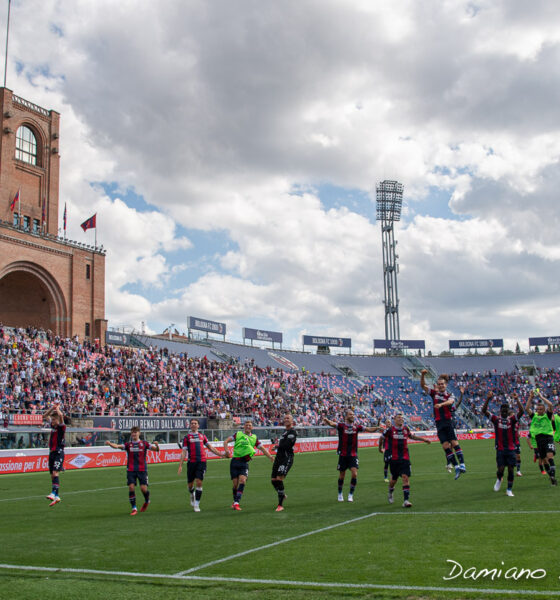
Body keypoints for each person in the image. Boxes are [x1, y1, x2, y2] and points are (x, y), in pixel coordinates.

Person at [323, 409, 380, 502]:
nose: (353, 416)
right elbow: (333, 424)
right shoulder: (342, 426)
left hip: (353, 455)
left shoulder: (356, 427)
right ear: (346, 416)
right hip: (343, 455)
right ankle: (340, 493)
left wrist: (377, 427)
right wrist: (327, 421)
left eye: (353, 414)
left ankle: (350, 494)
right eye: (350, 414)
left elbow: (368, 429)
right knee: (342, 475)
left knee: (354, 474)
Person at [420, 370, 465, 479]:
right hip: (439, 424)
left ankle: (462, 464)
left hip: (448, 422)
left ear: (446, 385)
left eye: (442, 384)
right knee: (445, 446)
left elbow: (451, 402)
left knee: (454, 443)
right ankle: (456, 467)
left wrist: (440, 404)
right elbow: (423, 386)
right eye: (439, 384)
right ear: (437, 385)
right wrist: (422, 375)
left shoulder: (450, 395)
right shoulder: (434, 393)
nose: (440, 386)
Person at [107, 426, 160, 515]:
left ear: (139, 433)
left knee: (143, 489)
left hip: (142, 469)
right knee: (131, 487)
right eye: (132, 433)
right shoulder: (128, 445)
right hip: (131, 469)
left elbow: (156, 450)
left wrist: (157, 445)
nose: (134, 434)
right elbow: (117, 446)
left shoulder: (144, 444)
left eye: (135, 432)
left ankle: (147, 500)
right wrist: (109, 443)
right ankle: (134, 508)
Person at [223, 420, 274, 511]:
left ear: (252, 427)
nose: (248, 427)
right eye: (246, 425)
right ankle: (235, 501)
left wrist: (270, 456)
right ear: (244, 427)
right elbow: (226, 441)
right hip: (235, 461)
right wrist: (227, 451)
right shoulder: (238, 434)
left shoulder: (254, 438)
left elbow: (262, 448)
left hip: (244, 463)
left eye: (250, 425)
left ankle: (236, 503)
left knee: (243, 481)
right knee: (235, 485)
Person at [384, 413, 431, 508]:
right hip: (394, 459)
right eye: (398, 418)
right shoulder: (390, 430)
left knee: (405, 477)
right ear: (394, 420)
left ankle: (406, 501)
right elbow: (382, 438)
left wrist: (424, 439)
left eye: (402, 418)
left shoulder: (406, 429)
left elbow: (412, 436)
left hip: (405, 458)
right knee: (394, 479)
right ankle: (390, 491)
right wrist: (381, 448)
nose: (401, 419)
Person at [482, 391, 524, 497]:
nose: (505, 411)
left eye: (506, 410)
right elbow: (484, 411)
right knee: (500, 469)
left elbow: (522, 412)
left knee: (510, 469)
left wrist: (517, 399)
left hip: (510, 449)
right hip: (500, 449)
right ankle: (499, 479)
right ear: (500, 411)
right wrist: (488, 399)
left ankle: (509, 489)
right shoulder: (496, 420)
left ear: (508, 411)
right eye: (503, 410)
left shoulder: (512, 420)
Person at [177, 418, 225, 512]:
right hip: (191, 463)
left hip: (202, 462)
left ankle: (197, 504)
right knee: (190, 485)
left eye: (195, 423)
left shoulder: (202, 436)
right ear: (190, 426)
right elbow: (183, 452)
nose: (194, 425)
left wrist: (220, 454)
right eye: (192, 423)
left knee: (199, 482)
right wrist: (180, 465)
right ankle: (192, 494)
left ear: (198, 425)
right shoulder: (187, 438)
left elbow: (210, 447)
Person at [525, 390, 557, 486]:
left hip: (548, 438)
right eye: (537, 409)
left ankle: (553, 477)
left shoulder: (547, 416)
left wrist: (541, 396)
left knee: (550, 456)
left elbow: (550, 405)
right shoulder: (534, 416)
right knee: (543, 460)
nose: (538, 411)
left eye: (540, 409)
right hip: (539, 439)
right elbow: (526, 408)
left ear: (544, 410)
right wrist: (530, 397)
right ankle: (551, 476)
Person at [270, 413, 298, 512]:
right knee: (273, 480)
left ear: (292, 421)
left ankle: (280, 505)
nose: (286, 419)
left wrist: (277, 446)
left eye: (288, 418)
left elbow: (287, 445)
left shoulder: (292, 432)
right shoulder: (284, 433)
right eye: (285, 418)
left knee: (279, 478)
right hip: (279, 458)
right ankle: (282, 494)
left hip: (286, 458)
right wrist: (277, 446)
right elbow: (283, 444)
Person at [43, 404, 66, 507]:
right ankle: (56, 496)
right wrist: (51, 409)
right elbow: (44, 416)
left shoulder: (61, 427)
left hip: (58, 452)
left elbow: (61, 416)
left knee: (55, 472)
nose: (52, 422)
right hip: (51, 452)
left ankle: (53, 493)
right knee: (53, 475)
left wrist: (57, 409)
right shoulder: (53, 426)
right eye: (52, 420)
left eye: (54, 420)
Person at [378, 418, 392, 482]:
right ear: (385, 424)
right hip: (386, 449)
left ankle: (392, 475)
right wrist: (378, 421)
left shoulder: (393, 430)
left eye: (389, 422)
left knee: (393, 463)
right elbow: (378, 427)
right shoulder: (384, 430)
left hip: (393, 449)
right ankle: (385, 477)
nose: (389, 423)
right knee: (386, 463)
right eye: (387, 422)